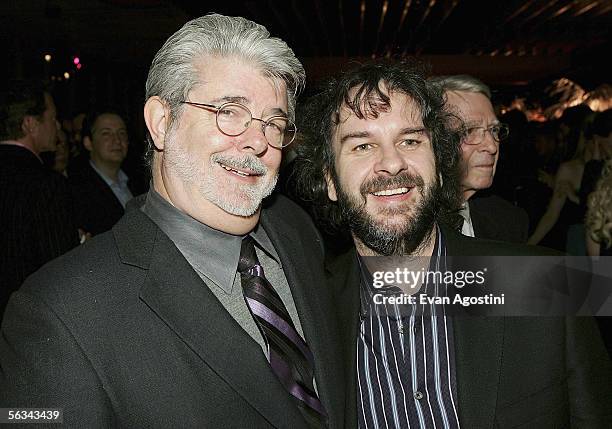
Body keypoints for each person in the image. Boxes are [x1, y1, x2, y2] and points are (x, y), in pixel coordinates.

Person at [0, 14, 344, 428]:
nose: (258, 141)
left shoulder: (295, 228)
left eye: (273, 122)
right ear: (163, 123)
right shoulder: (58, 312)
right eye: (230, 111)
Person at [293, 60, 612, 428]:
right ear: (331, 180)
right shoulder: (311, 310)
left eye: (410, 140)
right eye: (363, 146)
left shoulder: (554, 282)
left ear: (440, 164)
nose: (392, 163)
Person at [0, 80, 78, 318]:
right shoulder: (45, 184)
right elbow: (60, 268)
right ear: (30, 124)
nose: (56, 126)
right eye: (52, 118)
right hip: (25, 323)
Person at [430, 75, 529, 243]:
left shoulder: (510, 221)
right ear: (432, 139)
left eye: (494, 130)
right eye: (469, 130)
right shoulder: (407, 226)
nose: (491, 146)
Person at [527, 105, 595, 253]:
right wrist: (527, 246)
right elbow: (551, 215)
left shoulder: (599, 167)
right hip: (578, 242)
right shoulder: (569, 166)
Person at [67, 110, 139, 236]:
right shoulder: (76, 190)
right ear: (88, 143)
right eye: (106, 133)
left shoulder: (139, 183)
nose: (117, 140)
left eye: (122, 133)